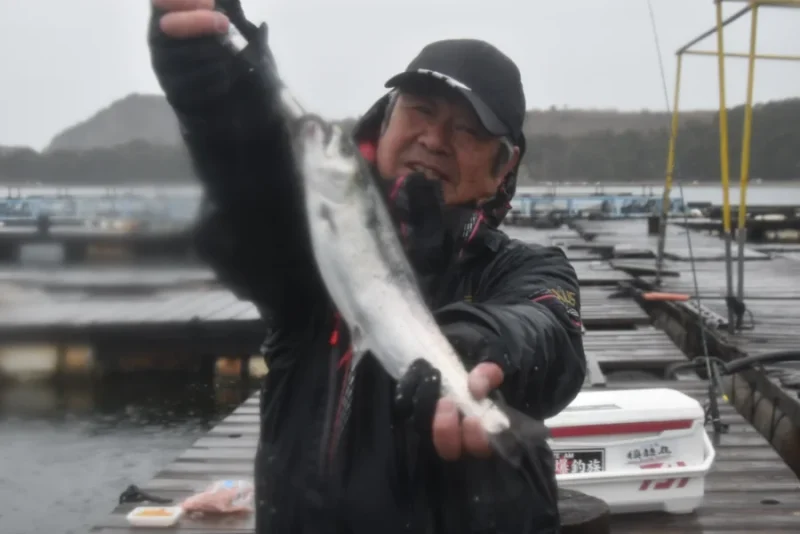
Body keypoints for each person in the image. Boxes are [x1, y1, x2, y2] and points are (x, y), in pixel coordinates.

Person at [149, 1, 587, 532]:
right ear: (388, 115)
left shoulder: (529, 270)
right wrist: (210, 83)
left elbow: (546, 333)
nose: (434, 139)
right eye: (420, 110)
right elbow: (250, 190)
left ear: (505, 164)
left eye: (466, 129)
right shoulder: (311, 256)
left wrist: (472, 342)